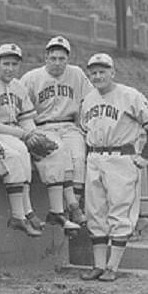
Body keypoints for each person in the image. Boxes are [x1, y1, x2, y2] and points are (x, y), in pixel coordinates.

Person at [78, 53, 148, 282]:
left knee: (120, 212)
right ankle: (98, 265)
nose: (98, 76)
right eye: (94, 72)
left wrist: (146, 155)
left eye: (102, 71)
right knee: (95, 213)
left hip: (121, 157)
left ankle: (112, 267)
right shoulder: (88, 99)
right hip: (95, 157)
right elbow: (84, 130)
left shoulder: (129, 95)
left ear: (112, 72)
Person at [19, 36, 90, 232]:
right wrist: (30, 133)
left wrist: (86, 127)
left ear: (68, 59)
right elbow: (21, 109)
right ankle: (72, 209)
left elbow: (88, 102)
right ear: (46, 57)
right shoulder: (31, 77)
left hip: (69, 126)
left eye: (62, 58)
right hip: (43, 126)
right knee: (60, 154)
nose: (57, 63)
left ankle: (72, 208)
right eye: (53, 58)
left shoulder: (76, 74)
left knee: (78, 158)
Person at [0, 43, 44, 237]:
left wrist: (33, 134)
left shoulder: (18, 86)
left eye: (14, 64)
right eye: (5, 63)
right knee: (15, 156)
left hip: (13, 133)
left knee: (24, 153)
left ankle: (27, 211)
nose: (9, 68)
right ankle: (19, 215)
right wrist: (25, 135)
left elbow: (26, 118)